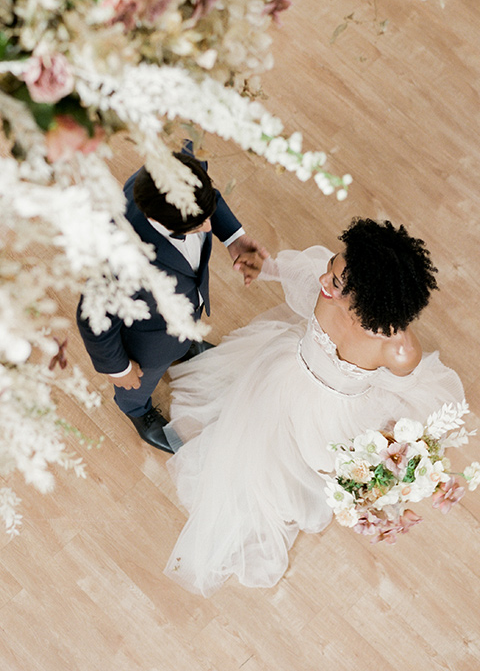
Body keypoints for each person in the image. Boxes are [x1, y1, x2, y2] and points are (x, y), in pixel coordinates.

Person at [163, 218, 465, 596]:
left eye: (337, 283)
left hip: (334, 413)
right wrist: (264, 266)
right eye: (332, 268)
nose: (325, 281)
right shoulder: (325, 285)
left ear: (369, 302)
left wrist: (397, 452)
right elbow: (299, 273)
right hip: (283, 375)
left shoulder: (397, 350)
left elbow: (403, 392)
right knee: (257, 442)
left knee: (305, 460)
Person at [76, 143, 268, 453]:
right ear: (161, 222)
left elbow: (211, 198)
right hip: (147, 342)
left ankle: (183, 344)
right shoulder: (120, 256)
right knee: (139, 384)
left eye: (208, 218)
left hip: (179, 309)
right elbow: (90, 316)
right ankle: (136, 410)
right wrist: (120, 370)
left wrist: (233, 238)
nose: (208, 226)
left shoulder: (176, 173)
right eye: (198, 224)